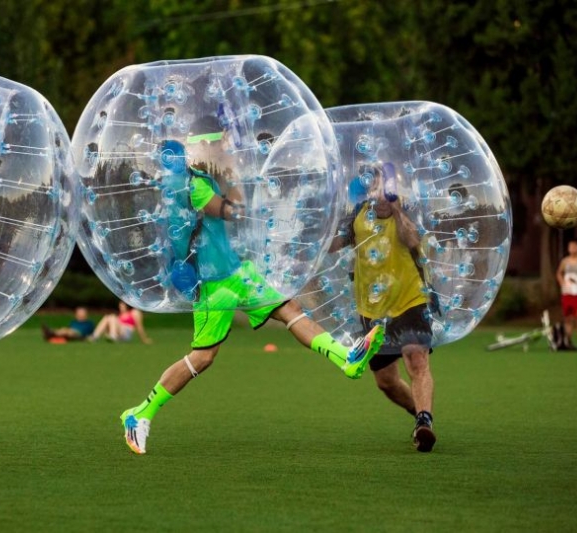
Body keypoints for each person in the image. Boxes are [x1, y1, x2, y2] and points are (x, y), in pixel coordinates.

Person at [119, 112, 384, 455]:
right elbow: (233, 211)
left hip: (237, 273)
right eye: (219, 140)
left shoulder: (202, 177)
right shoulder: (191, 184)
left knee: (290, 308)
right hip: (213, 283)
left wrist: (229, 170)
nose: (225, 145)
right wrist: (231, 167)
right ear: (203, 144)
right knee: (203, 357)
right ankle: (140, 413)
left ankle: (346, 358)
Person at [331, 163, 437, 452]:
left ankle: (425, 421)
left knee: (416, 360)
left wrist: (398, 209)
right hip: (372, 310)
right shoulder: (358, 215)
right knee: (386, 381)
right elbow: (333, 244)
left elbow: (412, 240)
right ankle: (418, 414)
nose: (377, 195)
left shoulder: (405, 213)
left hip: (410, 299)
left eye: (382, 188)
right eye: (372, 188)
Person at [556, 239, 577, 349]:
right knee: (568, 317)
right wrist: (562, 282)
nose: (572, 248)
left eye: (574, 246)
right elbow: (559, 273)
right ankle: (567, 341)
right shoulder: (565, 261)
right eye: (570, 246)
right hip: (567, 293)